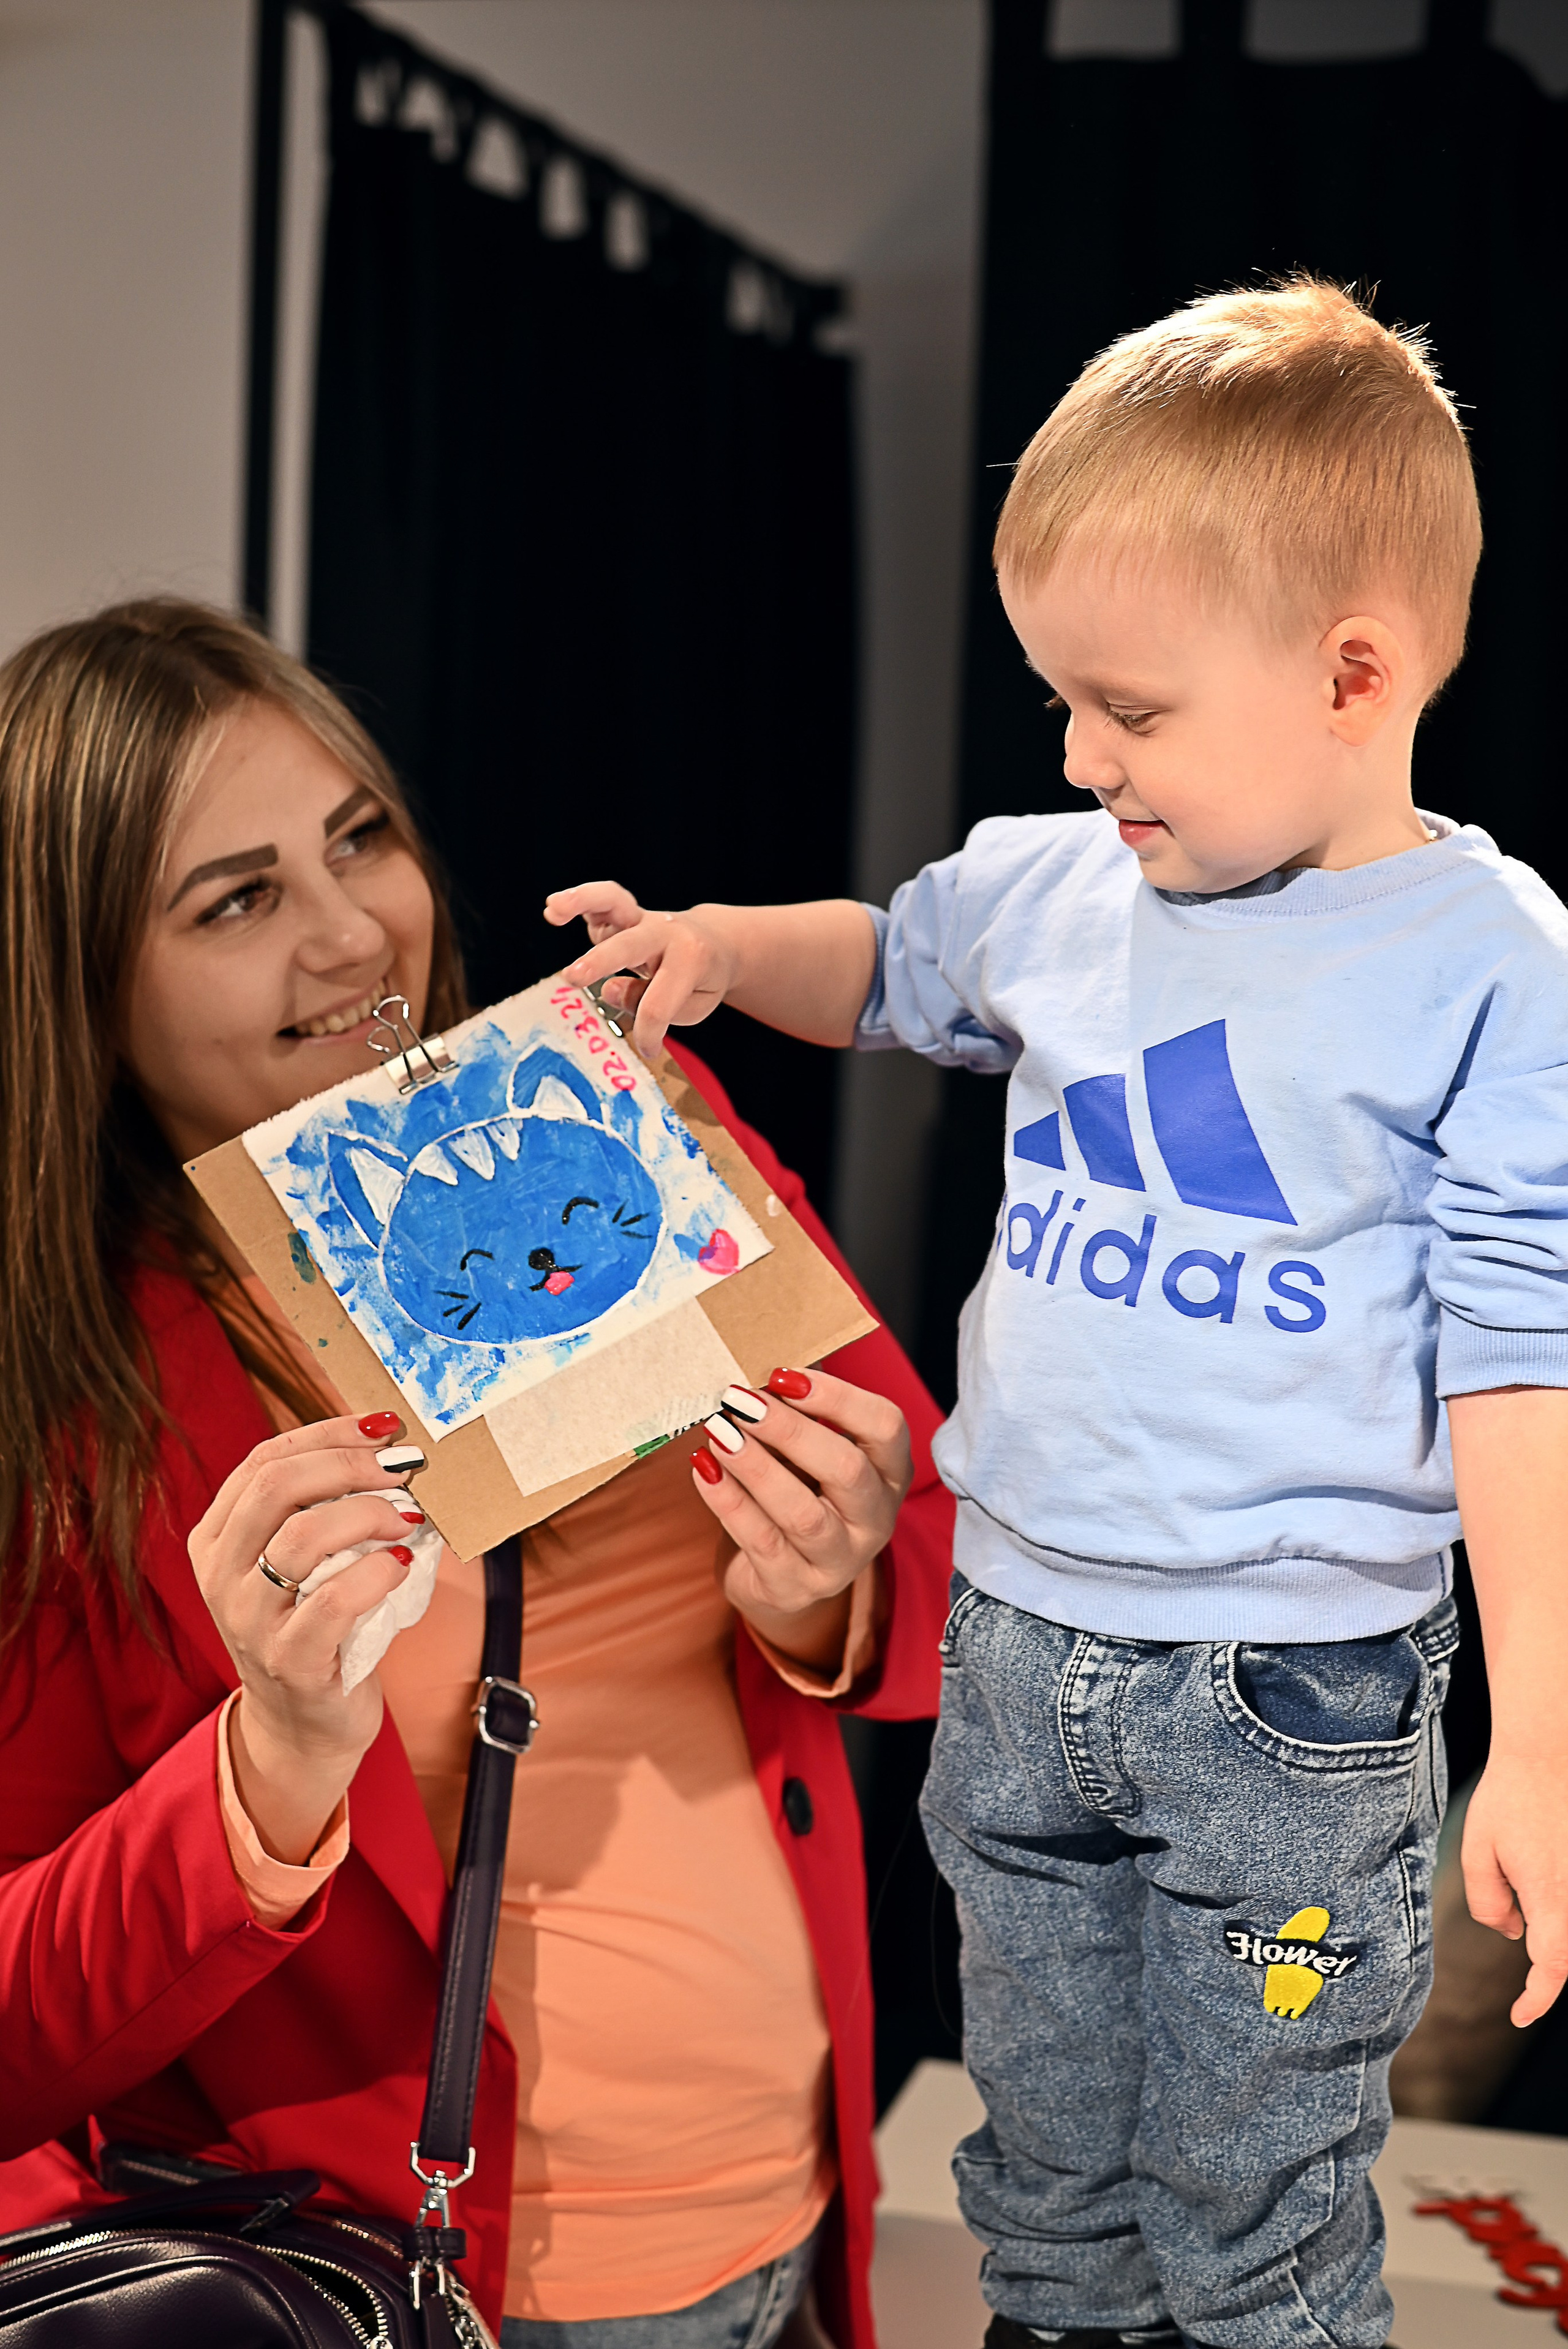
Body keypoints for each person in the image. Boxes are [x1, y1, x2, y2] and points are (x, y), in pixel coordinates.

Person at [548, 278, 1568, 2349]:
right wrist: (724, 949)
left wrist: (1537, 1733)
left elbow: (1519, 1348)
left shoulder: (1486, 955)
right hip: (1017, 1652)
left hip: (1292, 1701)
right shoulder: (1054, 879)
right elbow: (892, 964)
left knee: (1254, 2203)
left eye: (1136, 707)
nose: (1089, 756)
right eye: (1062, 708)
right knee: (1044, 2177)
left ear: (1353, 672)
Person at [0, 598, 955, 2349]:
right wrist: (265, 1768)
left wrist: (847, 1582)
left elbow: (971, 1579)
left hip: (803, 2238)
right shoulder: (71, 1404)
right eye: (237, 899)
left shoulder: (643, 1127)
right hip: (418, 2291)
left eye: (359, 836)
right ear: (81, 985)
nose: (355, 930)